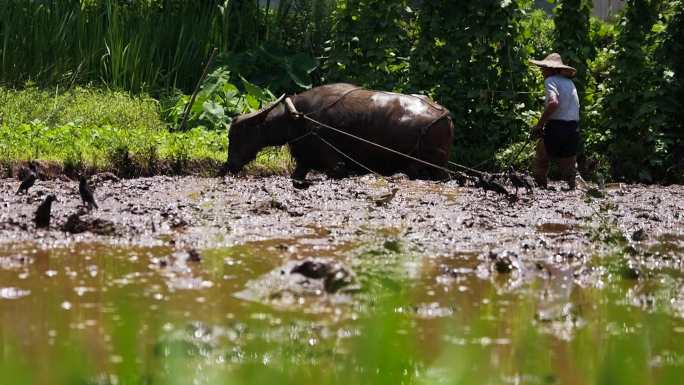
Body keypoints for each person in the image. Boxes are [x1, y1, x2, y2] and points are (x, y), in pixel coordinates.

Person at [529, 53, 580, 190]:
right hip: (573, 128)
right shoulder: (570, 83)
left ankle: (540, 185)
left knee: (541, 155)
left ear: (551, 69)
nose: (542, 71)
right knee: (569, 164)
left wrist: (539, 125)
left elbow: (553, 103)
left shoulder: (550, 80)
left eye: (544, 68)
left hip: (557, 126)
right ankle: (573, 187)